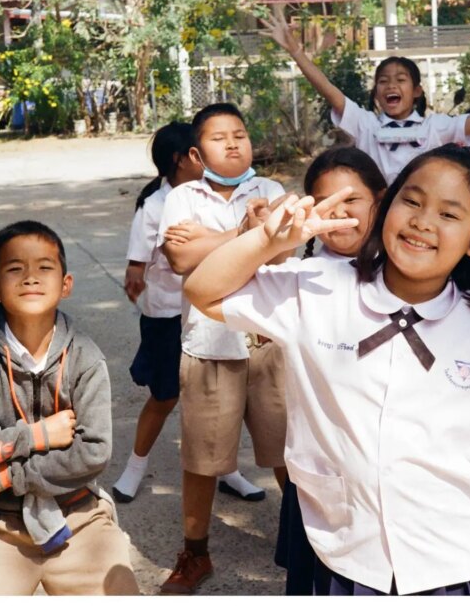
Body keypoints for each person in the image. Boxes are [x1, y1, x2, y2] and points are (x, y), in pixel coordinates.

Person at [183, 144, 470, 595]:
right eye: (411, 201)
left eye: (450, 215)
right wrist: (267, 241)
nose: (422, 221)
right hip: (346, 554)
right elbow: (204, 292)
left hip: (468, 564)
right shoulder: (316, 288)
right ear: (386, 207)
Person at [0, 221, 139, 595]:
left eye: (45, 267)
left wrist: (7, 477)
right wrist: (37, 434)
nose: (30, 277)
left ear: (66, 284)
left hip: (77, 513)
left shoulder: (85, 358)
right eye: (15, 268)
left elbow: (93, 452)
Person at [156, 102, 290, 594]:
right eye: (219, 137)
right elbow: (179, 256)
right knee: (201, 460)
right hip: (209, 345)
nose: (233, 143)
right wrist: (243, 234)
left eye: (240, 133)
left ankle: (308, 544)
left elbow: (283, 248)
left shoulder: (271, 191)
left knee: (288, 454)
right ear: (196, 152)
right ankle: (195, 553)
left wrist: (219, 240)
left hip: (269, 341)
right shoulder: (182, 196)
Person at [111, 122, 264, 505]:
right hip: (165, 316)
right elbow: (140, 265)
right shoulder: (157, 205)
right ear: (184, 160)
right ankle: (135, 466)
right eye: (200, 151)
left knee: (226, 401)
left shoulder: (219, 196)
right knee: (164, 397)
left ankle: (227, 470)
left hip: (211, 312)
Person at [258, 4, 470, 183]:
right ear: (376, 92)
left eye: (400, 79)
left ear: (416, 91)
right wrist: (296, 52)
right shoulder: (365, 125)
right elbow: (329, 90)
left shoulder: (435, 128)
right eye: (383, 80)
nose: (390, 86)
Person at [275, 147, 387, 595]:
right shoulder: (300, 275)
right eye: (326, 203)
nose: (339, 213)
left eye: (353, 200)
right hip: (323, 474)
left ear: (381, 199)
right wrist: (265, 237)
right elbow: (211, 286)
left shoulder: (408, 269)